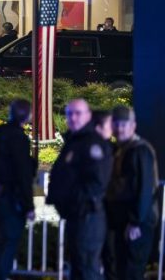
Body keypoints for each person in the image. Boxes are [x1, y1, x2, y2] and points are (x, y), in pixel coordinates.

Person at [47, 99, 113, 280]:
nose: (73, 118)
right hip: (77, 216)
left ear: (88, 116)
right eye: (69, 114)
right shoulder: (76, 141)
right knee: (78, 269)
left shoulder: (93, 144)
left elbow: (97, 183)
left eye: (78, 113)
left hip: (87, 217)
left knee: (86, 269)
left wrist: (72, 201)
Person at [105, 106, 159, 280]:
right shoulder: (122, 149)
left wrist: (136, 222)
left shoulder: (140, 150)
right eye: (116, 124)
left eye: (124, 124)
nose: (119, 128)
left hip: (137, 224)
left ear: (133, 126)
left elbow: (145, 189)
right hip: (124, 222)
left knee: (131, 272)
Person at [0, 100, 36, 280]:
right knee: (8, 244)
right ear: (28, 116)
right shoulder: (19, 138)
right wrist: (29, 205)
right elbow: (23, 174)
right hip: (12, 198)